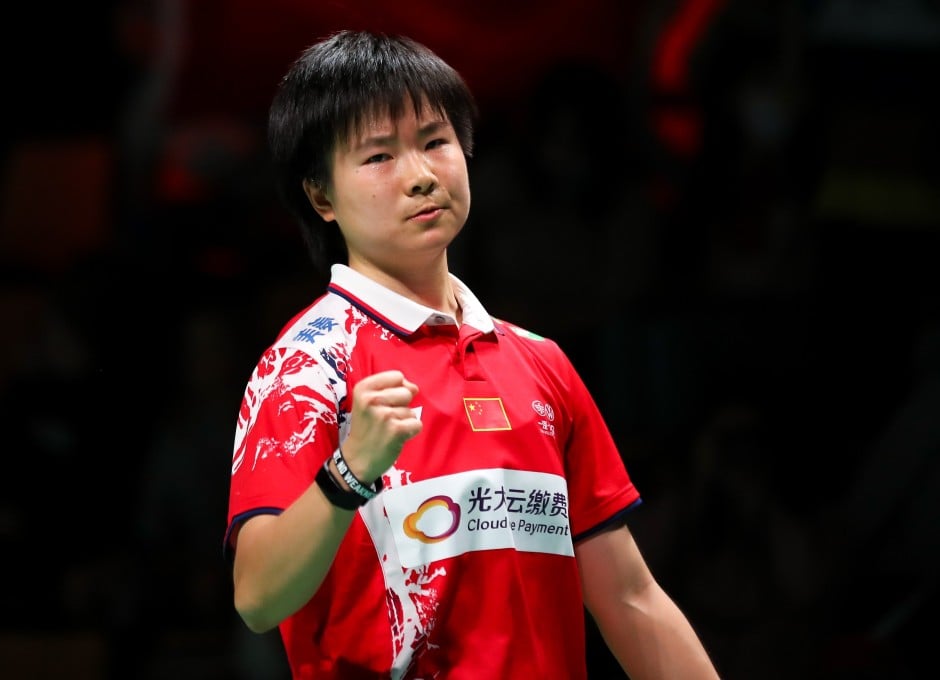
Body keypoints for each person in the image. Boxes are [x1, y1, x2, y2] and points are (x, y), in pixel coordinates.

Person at [223, 29, 720, 679]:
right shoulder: (307, 368)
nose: (421, 175)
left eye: (435, 142)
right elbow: (258, 598)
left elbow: (628, 597)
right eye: (378, 156)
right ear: (321, 196)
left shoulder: (540, 363)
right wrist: (350, 472)